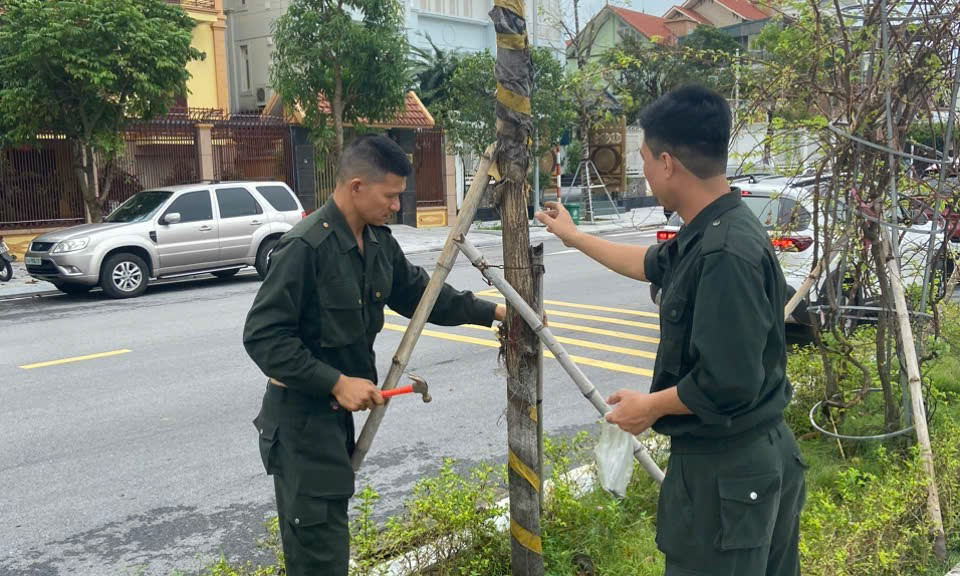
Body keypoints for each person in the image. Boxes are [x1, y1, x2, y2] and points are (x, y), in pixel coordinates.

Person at [535, 85, 806, 576]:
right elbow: (646, 263)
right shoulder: (711, 228)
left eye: (643, 159)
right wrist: (573, 236)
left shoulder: (726, 254)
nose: (642, 171)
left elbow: (727, 383)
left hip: (729, 472)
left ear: (666, 163)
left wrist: (649, 407)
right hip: (742, 466)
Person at [243, 134, 506, 576]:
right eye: (391, 196)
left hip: (334, 419)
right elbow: (264, 337)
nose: (397, 206)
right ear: (356, 187)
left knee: (329, 544)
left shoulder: (379, 244)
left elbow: (423, 296)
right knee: (318, 558)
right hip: (302, 424)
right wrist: (336, 381)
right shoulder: (304, 248)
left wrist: (495, 312)